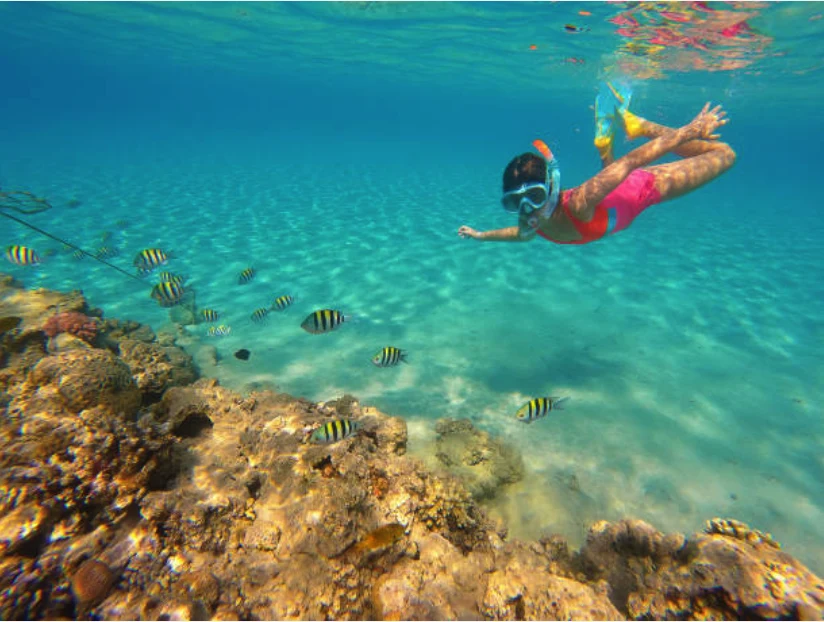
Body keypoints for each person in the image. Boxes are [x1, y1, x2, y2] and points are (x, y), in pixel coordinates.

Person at [457, 84, 736, 245]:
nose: (527, 209)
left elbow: (633, 161)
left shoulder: (579, 202)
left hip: (647, 188)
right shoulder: (530, 218)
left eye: (534, 196)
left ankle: (642, 126)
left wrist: (692, 129)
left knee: (725, 154)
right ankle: (606, 146)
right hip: (614, 200)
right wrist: (480, 235)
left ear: (551, 187)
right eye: (514, 202)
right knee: (610, 184)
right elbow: (519, 235)